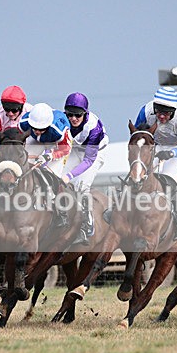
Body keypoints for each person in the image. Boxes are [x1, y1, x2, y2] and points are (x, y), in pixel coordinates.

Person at [133, 86, 177, 240]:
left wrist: (171, 153)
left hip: (176, 149)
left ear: (173, 111)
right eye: (158, 111)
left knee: (168, 179)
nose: (160, 116)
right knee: (137, 173)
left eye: (166, 113)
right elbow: (138, 133)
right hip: (154, 146)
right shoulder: (145, 111)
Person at [62, 92, 109, 244]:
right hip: (75, 149)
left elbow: (89, 160)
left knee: (81, 186)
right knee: (56, 179)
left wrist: (69, 176)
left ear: (85, 113)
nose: (73, 119)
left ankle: (87, 224)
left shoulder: (94, 128)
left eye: (78, 115)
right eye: (70, 114)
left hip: (94, 154)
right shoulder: (63, 121)